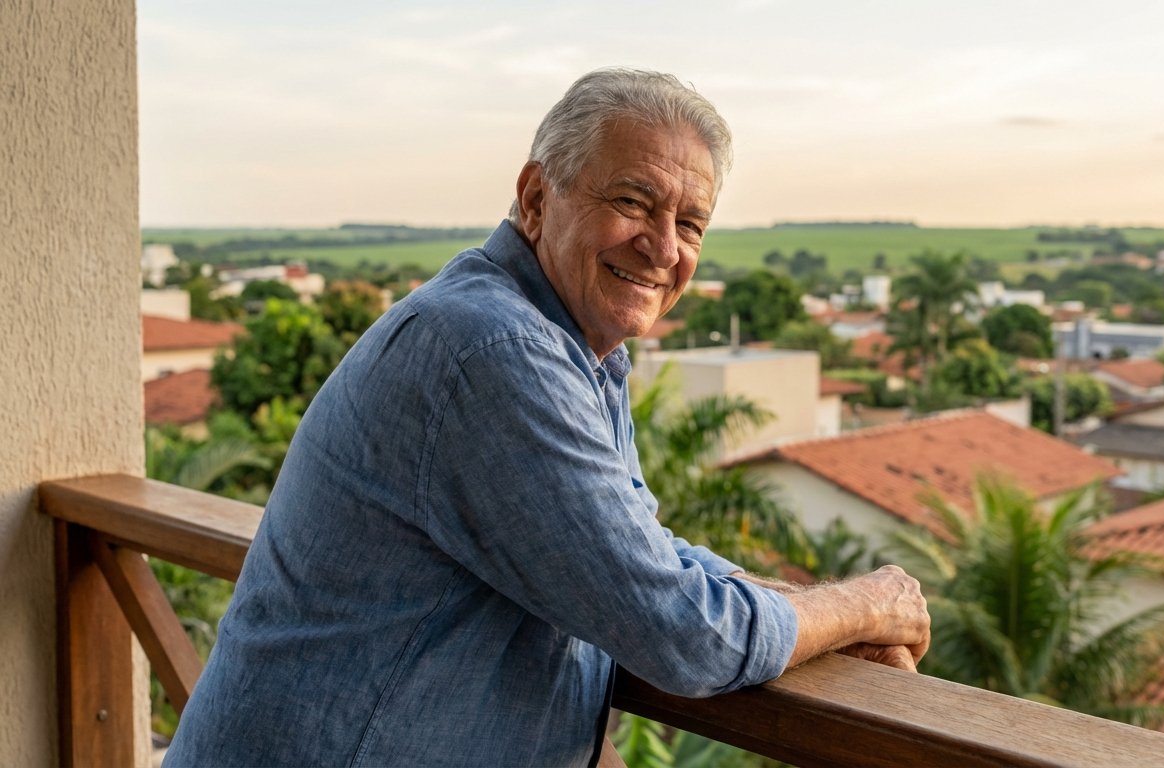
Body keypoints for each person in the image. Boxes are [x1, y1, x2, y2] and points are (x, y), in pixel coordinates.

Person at [166, 68, 930, 767]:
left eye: (691, 223)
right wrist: (866, 605)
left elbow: (632, 553)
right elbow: (681, 635)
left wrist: (818, 620)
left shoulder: (578, 346)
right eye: (633, 201)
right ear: (537, 199)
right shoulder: (494, 351)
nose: (663, 246)